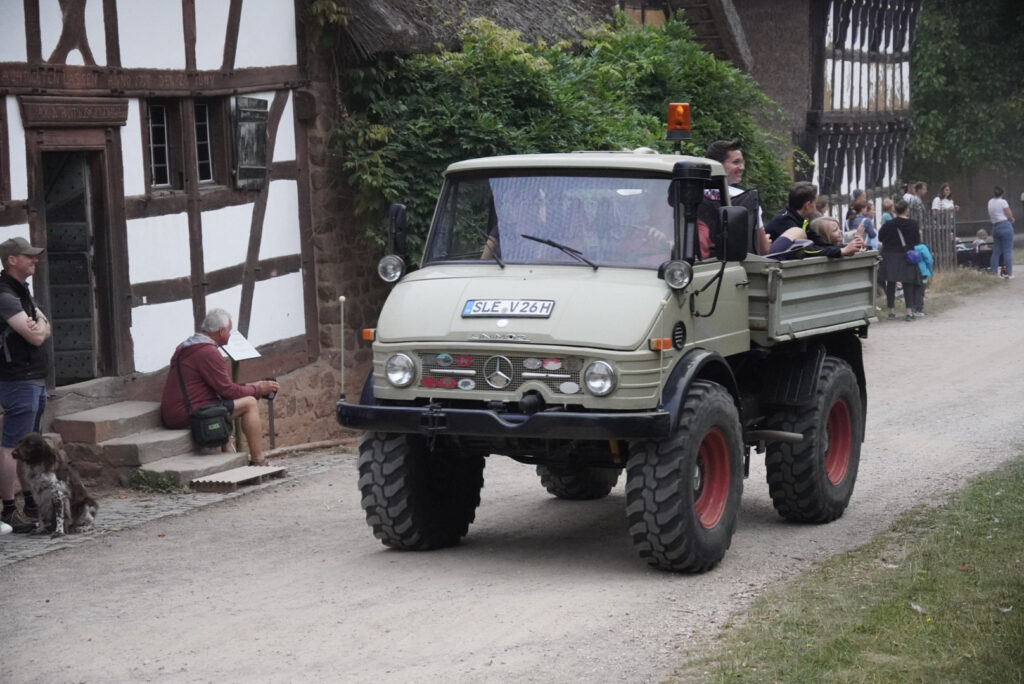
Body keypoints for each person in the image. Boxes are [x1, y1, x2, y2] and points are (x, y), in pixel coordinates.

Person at [160, 309, 280, 465]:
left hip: (176, 411)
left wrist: (251, 386)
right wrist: (258, 390)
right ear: (222, 331)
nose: (230, 335)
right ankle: (259, 460)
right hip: (186, 413)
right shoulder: (208, 351)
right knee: (250, 403)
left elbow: (220, 387)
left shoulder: (187, 346)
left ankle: (230, 457)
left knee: (227, 403)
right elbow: (227, 391)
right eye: (229, 331)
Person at [0, 237, 51, 533]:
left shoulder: (21, 292)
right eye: (28, 257)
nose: (35, 260)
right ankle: (9, 509)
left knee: (25, 444)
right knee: (10, 446)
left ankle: (30, 502)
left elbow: (44, 325)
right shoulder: (6, 294)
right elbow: (35, 335)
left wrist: (39, 325)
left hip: (30, 377)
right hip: (17, 377)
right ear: (12, 260)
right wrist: (39, 326)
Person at [704, 139, 768, 254]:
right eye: (736, 162)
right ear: (718, 165)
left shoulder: (690, 194)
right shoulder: (744, 198)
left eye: (742, 162)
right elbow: (763, 248)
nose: (742, 167)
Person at [878, 199, 924, 321]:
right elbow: (916, 241)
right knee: (907, 283)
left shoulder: (888, 224)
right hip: (905, 256)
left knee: (891, 283)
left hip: (890, 256)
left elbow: (881, 237)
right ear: (906, 210)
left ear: (895, 210)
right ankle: (909, 312)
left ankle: (891, 311)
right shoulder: (913, 224)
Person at [988, 185, 1015, 279]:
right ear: (1002, 193)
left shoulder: (990, 202)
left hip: (995, 226)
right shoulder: (1003, 202)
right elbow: (1008, 213)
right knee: (1007, 251)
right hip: (1005, 225)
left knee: (996, 251)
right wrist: (1011, 219)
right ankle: (1009, 273)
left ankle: (994, 273)